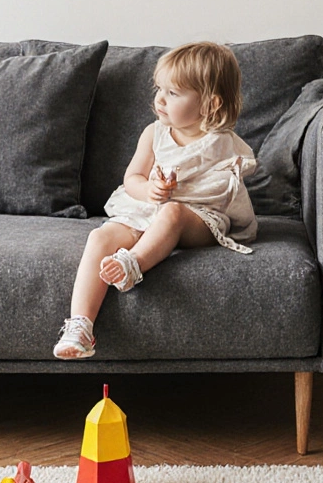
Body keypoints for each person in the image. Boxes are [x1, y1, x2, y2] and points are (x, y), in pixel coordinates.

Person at [54, 41, 258, 360]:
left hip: (197, 218)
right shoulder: (154, 133)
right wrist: (150, 189)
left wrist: (179, 194)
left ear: (209, 105)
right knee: (101, 236)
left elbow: (224, 189)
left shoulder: (222, 144)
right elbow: (132, 179)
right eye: (159, 89)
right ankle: (80, 325)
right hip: (147, 209)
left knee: (173, 212)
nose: (159, 99)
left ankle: (133, 263)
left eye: (173, 93)